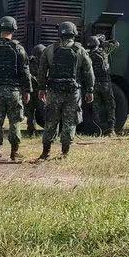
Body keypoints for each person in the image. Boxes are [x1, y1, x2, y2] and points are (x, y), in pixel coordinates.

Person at [38, 21, 94, 159]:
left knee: (51, 121)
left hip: (53, 91)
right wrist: (90, 90)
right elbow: (88, 72)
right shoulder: (80, 50)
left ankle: (46, 152)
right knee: (70, 121)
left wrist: (41, 88)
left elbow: (42, 71)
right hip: (73, 93)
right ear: (74, 33)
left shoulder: (49, 50)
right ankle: (64, 153)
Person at [0, 16, 32, 161]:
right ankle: (14, 153)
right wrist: (27, 90)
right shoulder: (18, 48)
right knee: (15, 121)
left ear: (0, 29)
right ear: (14, 29)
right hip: (14, 91)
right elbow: (25, 71)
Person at [86, 35, 120, 136]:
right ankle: (110, 130)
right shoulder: (103, 52)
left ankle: (98, 131)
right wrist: (102, 40)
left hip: (94, 85)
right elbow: (116, 43)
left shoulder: (87, 54)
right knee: (110, 106)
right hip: (106, 84)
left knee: (96, 107)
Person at [25, 44, 47, 137]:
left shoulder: (45, 62)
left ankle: (46, 130)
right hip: (32, 90)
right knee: (30, 112)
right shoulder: (29, 61)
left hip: (40, 90)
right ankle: (31, 131)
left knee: (42, 110)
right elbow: (26, 73)